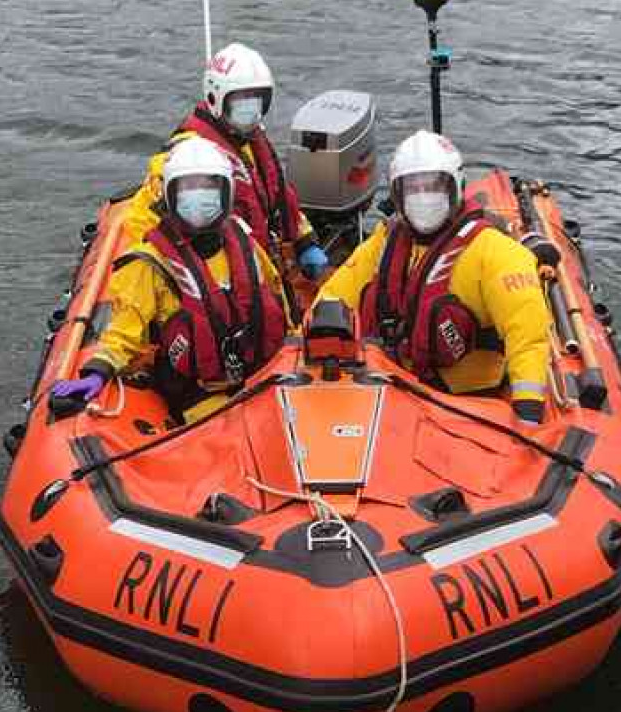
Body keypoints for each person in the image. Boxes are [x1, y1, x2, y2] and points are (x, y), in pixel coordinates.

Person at [314, 129, 551, 423]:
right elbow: (335, 295)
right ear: (397, 195)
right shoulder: (385, 242)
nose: (423, 197)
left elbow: (527, 333)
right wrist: (309, 341)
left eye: (433, 186)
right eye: (412, 188)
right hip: (389, 388)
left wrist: (528, 408)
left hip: (465, 405)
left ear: (455, 187)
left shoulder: (494, 251)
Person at [53, 139, 291, 425]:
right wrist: (97, 372)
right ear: (169, 195)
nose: (199, 196)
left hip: (262, 375)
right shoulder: (149, 262)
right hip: (199, 393)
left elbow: (277, 298)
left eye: (208, 186)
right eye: (188, 187)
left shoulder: (244, 244)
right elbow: (125, 330)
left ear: (226, 193)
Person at [119, 42, 329, 282]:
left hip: (258, 261)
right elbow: (143, 224)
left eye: (258, 100)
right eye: (242, 101)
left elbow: (279, 196)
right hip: (217, 271)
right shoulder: (188, 158)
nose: (252, 110)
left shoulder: (251, 142)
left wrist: (304, 241)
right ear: (216, 98)